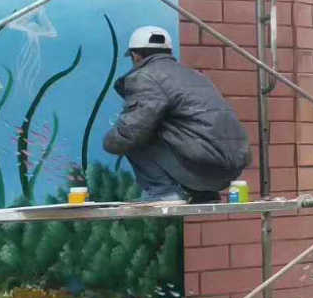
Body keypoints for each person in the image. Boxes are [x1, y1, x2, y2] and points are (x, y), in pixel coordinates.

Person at [102, 26, 250, 203]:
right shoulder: (194, 75)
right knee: (176, 129)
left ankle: (162, 192)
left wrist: (110, 142)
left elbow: (132, 130)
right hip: (228, 170)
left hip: (198, 167)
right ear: (169, 52)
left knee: (131, 134)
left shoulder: (145, 76)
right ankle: (203, 195)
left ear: (136, 56)